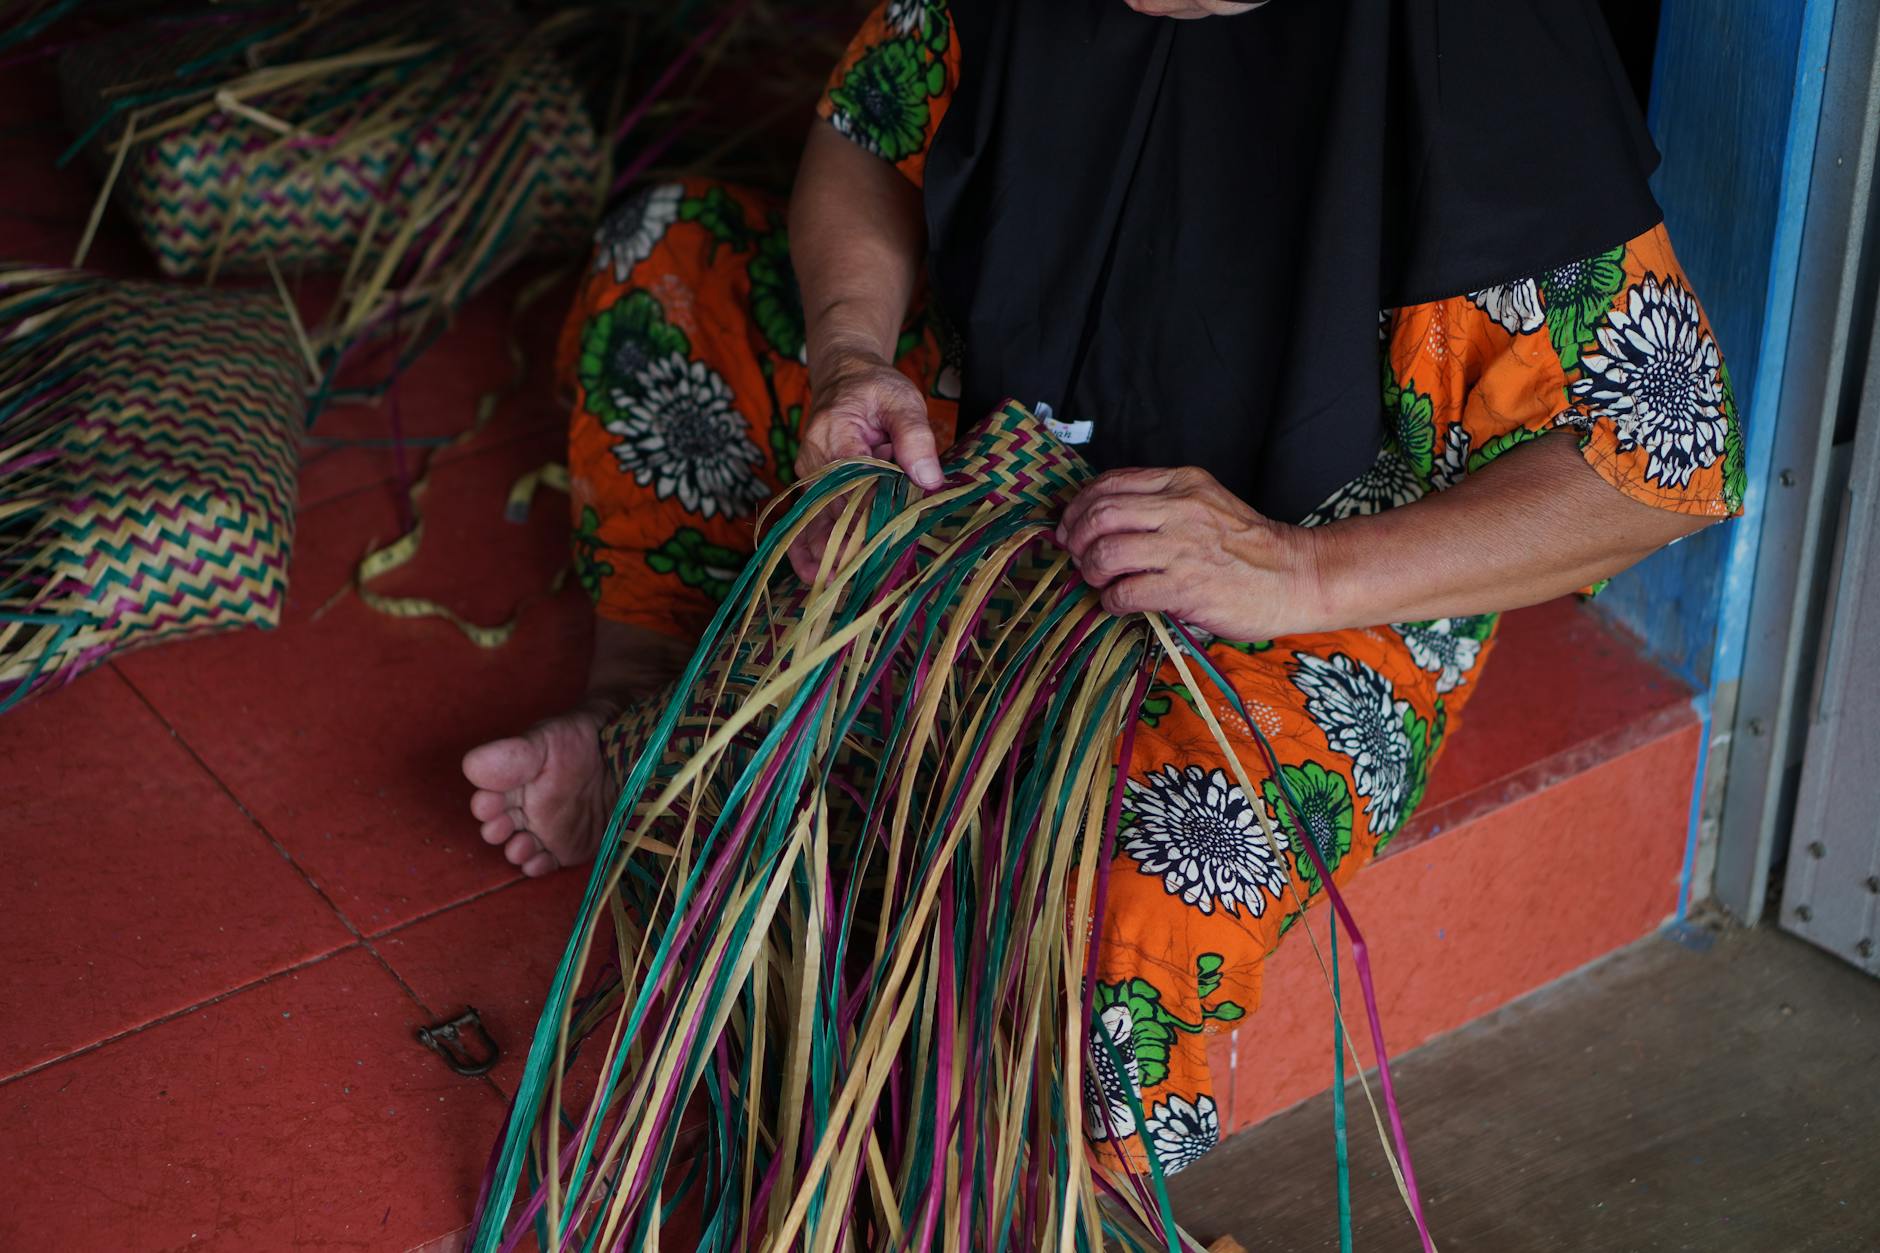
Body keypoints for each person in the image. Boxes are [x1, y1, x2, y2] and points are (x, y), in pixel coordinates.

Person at [464, 0, 1742, 1173]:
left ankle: (986, 1109)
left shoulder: (1479, 39)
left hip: (1292, 581)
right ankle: (658, 716)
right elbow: (864, 136)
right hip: (975, 440)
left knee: (1110, 941)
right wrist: (853, 357)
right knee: (667, 259)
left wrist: (1294, 571)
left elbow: (1652, 471)